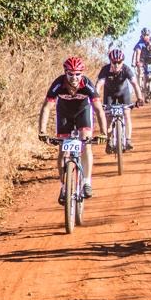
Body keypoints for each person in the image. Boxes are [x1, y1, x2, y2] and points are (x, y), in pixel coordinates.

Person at [37, 56, 108, 203]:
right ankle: (64, 186)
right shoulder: (58, 84)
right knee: (63, 150)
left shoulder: (87, 84)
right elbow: (47, 107)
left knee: (86, 144)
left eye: (77, 74)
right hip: (64, 114)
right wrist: (42, 131)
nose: (74, 77)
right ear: (65, 73)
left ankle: (87, 182)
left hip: (83, 112)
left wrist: (103, 133)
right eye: (70, 74)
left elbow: (98, 110)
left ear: (82, 74)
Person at [96, 49, 142, 151]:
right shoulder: (105, 69)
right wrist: (95, 99)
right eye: (114, 62)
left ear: (122, 62)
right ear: (110, 61)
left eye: (119, 62)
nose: (116, 65)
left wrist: (140, 98)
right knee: (108, 116)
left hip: (123, 93)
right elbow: (99, 84)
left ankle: (128, 140)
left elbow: (134, 84)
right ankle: (109, 141)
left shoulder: (126, 69)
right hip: (109, 94)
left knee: (126, 113)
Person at [131, 27, 151, 91]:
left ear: (149, 35)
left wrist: (150, 44)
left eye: (147, 35)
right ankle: (140, 87)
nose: (146, 36)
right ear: (142, 35)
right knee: (141, 72)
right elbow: (137, 53)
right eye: (144, 35)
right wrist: (137, 62)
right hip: (143, 59)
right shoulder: (140, 42)